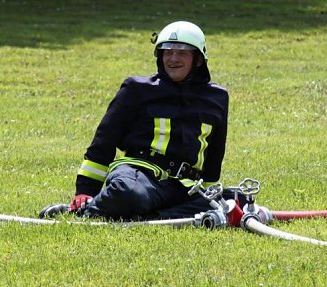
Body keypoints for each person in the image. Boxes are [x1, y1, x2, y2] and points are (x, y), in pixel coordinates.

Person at [39, 21, 229, 221]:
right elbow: (105, 140)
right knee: (127, 193)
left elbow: (215, 154)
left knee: (235, 200)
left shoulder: (217, 98)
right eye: (167, 52)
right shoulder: (136, 90)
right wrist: (85, 191)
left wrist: (211, 197)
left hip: (185, 186)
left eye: (182, 52)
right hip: (139, 177)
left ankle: (152, 217)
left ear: (199, 60)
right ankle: (86, 211)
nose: (173, 58)